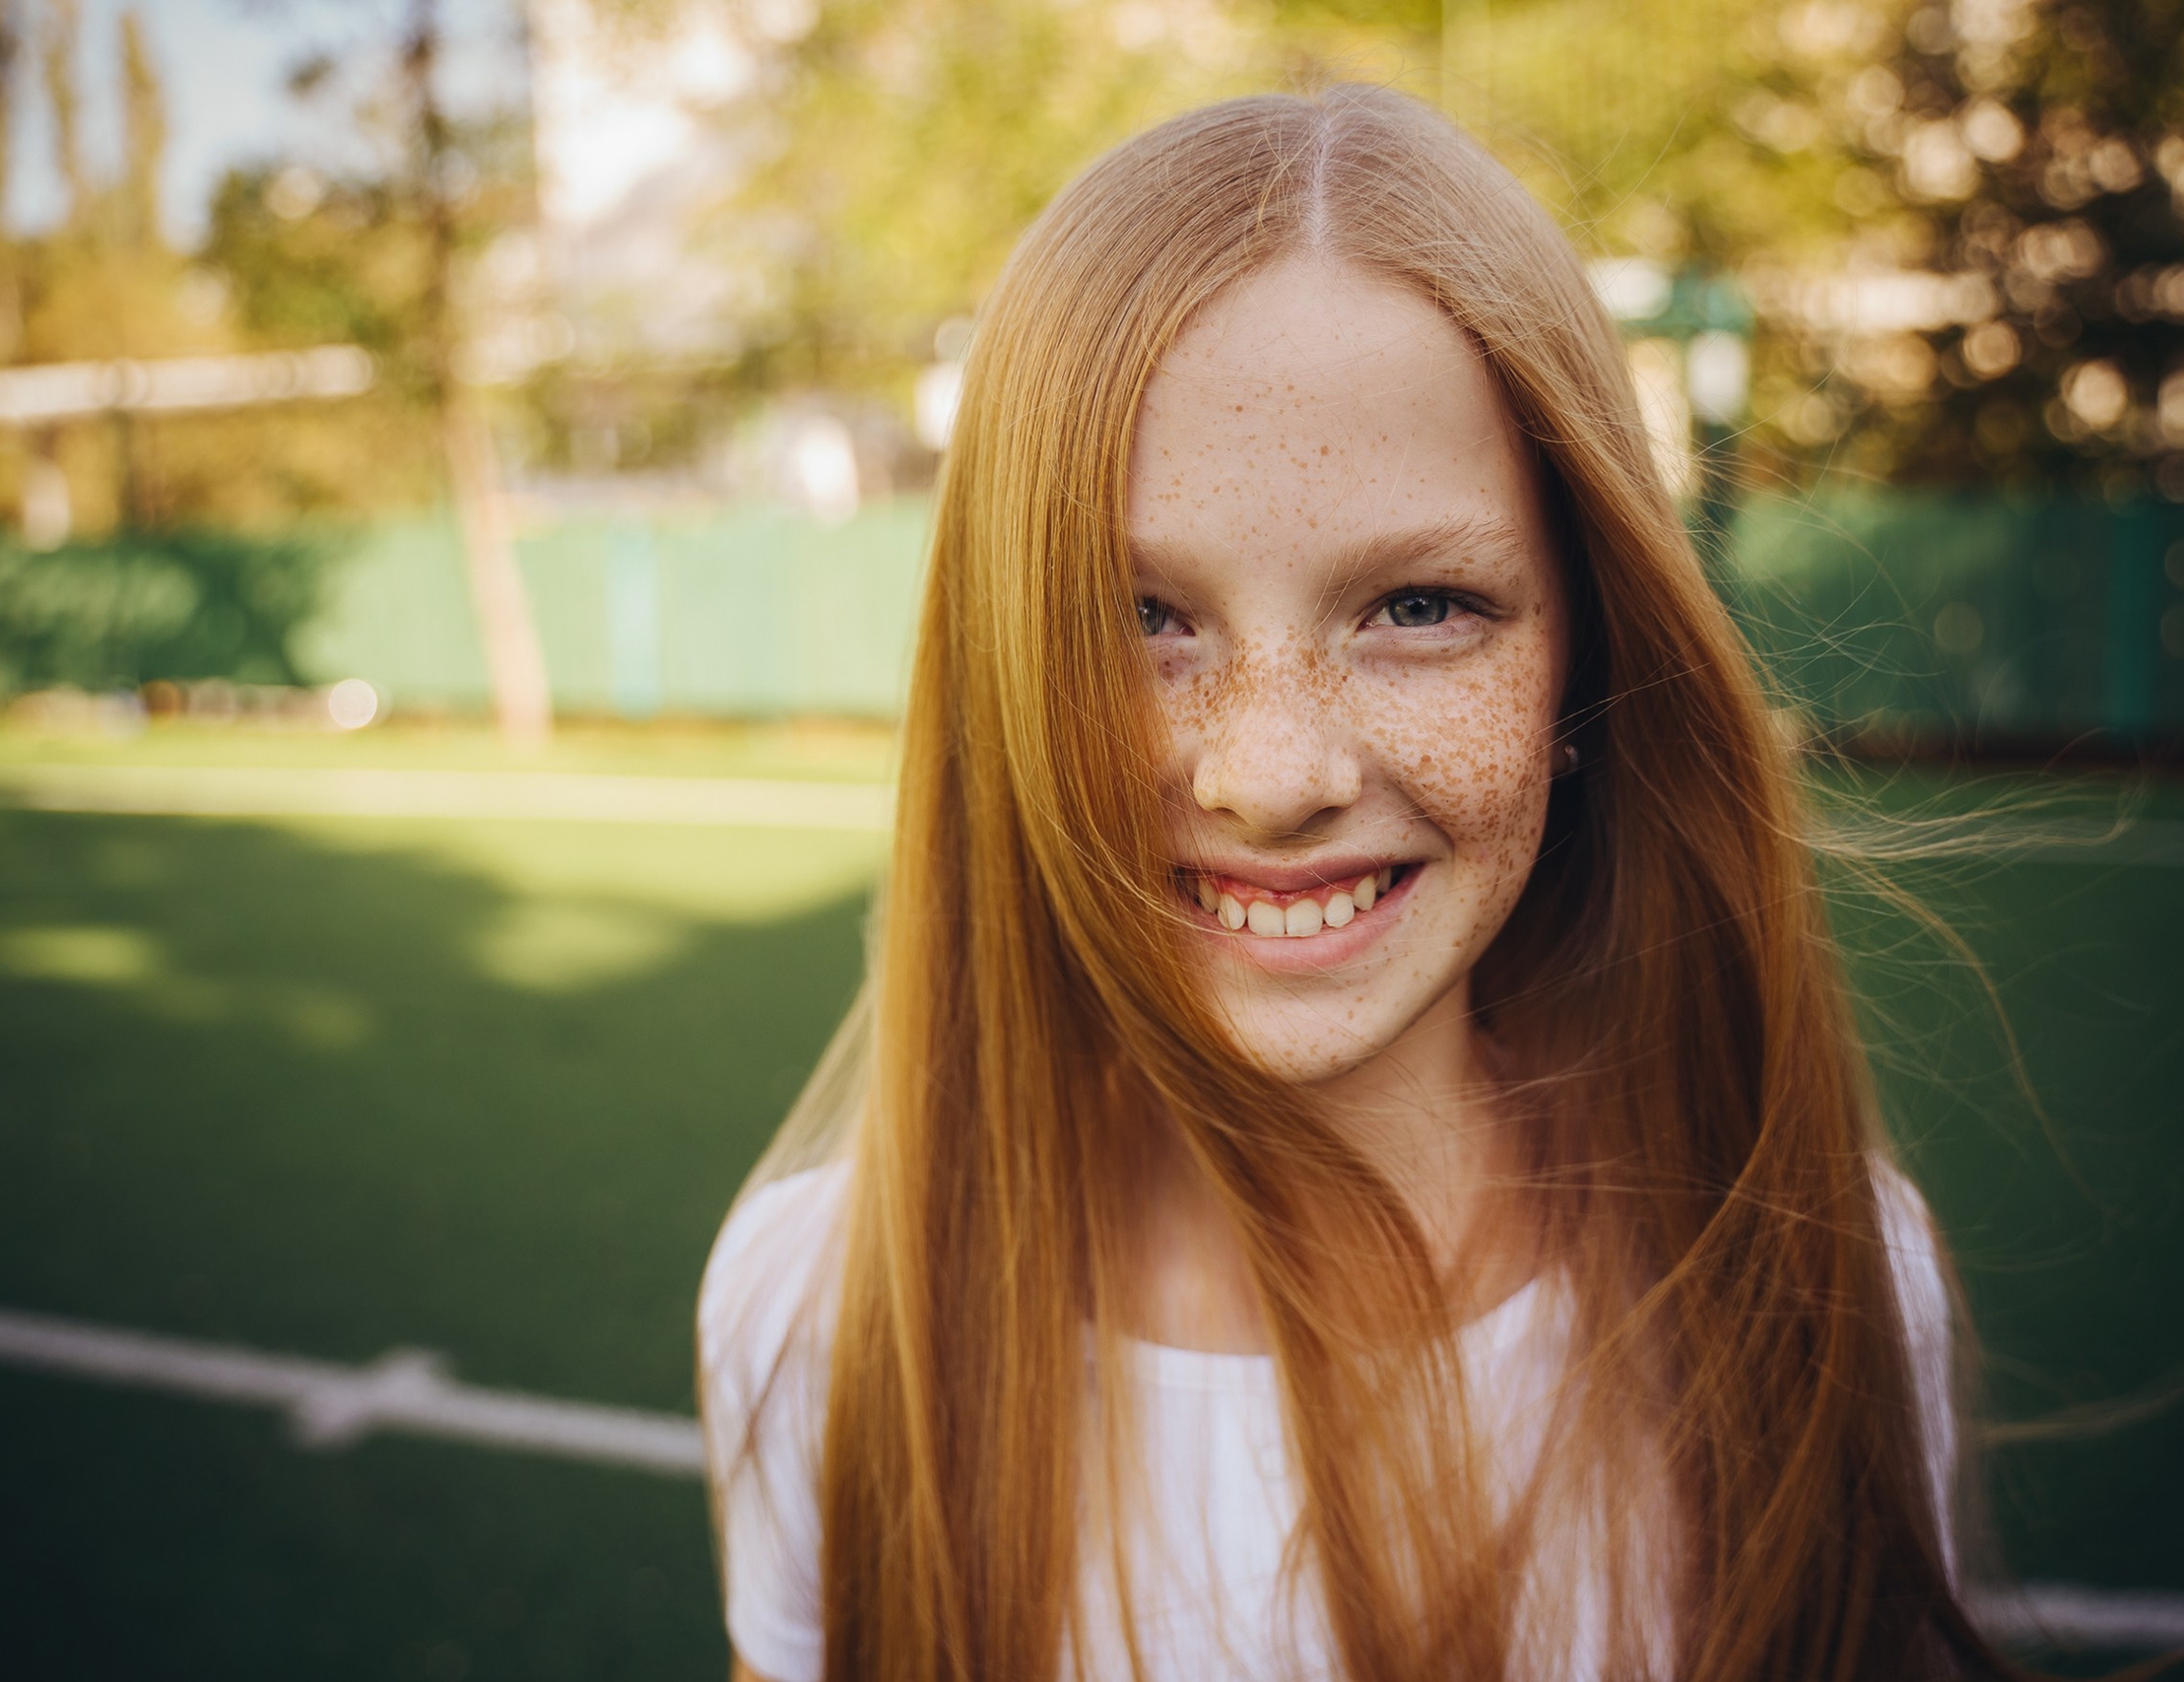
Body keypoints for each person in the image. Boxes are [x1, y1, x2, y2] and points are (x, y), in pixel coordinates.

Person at [700, 85, 2007, 1682]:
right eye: (1138, 617)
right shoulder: (821, 1314)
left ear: (1588, 656)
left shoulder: (1821, 1288)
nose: (1271, 774)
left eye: (1421, 606)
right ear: (999, 670)